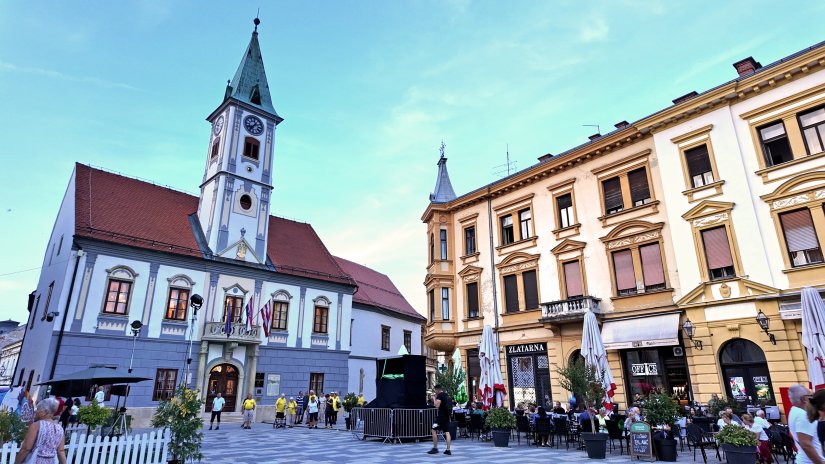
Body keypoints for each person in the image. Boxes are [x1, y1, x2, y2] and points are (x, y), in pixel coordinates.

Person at [14, 398, 66, 464]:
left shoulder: (36, 426)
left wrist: (16, 462)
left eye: (38, 409)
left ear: (44, 412)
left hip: (35, 460)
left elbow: (26, 448)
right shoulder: (59, 429)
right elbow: (61, 451)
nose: (36, 411)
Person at [788, 384, 824, 464]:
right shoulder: (803, 415)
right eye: (811, 395)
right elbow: (806, 444)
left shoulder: (794, 411)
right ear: (804, 399)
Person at [428, 384, 453, 456]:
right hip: (446, 417)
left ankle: (435, 448)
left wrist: (434, 398)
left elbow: (436, 405)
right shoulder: (446, 395)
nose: (435, 392)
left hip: (440, 418)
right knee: (447, 432)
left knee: (433, 429)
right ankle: (448, 450)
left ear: (437, 389)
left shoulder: (440, 395)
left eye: (435, 390)